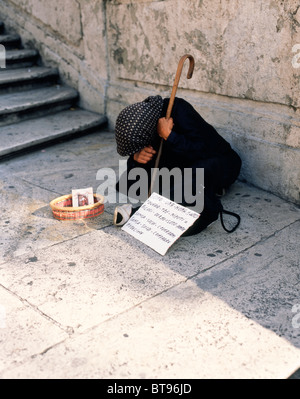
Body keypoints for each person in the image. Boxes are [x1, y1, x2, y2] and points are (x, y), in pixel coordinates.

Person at [114, 95, 242, 236]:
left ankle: (140, 214)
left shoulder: (177, 109)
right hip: (181, 166)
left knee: (193, 176)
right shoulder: (147, 126)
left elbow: (203, 150)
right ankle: (188, 192)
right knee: (128, 183)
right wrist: (136, 158)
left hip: (217, 162)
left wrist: (169, 135)